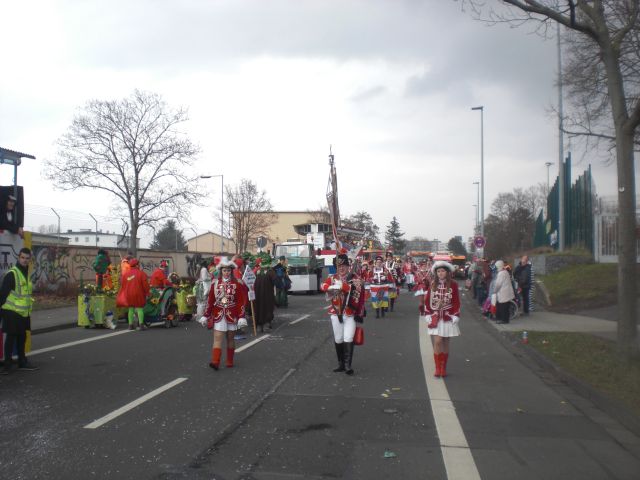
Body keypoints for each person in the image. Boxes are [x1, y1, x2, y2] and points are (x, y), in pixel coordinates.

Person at [320, 253, 365, 375]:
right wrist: (328, 287)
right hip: (336, 313)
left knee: (348, 338)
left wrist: (343, 285)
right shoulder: (333, 277)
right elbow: (323, 285)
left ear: (348, 266)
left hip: (350, 313)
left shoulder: (355, 278)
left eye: (343, 266)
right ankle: (340, 364)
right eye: (338, 266)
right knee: (338, 338)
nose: (341, 268)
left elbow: (356, 290)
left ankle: (347, 365)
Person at [200, 257, 248, 370]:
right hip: (219, 314)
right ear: (221, 271)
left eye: (228, 270)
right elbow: (210, 301)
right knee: (217, 338)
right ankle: (215, 362)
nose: (226, 272)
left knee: (230, 338)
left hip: (232, 314)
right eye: (224, 270)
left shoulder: (237, 283)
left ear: (231, 271)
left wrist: (241, 316)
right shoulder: (215, 283)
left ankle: (229, 360)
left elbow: (240, 301)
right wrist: (206, 315)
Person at [0, 248, 37, 374]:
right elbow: (3, 295)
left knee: (22, 337)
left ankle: (22, 362)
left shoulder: (25, 273)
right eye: (22, 257)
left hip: (23, 312)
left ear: (29, 259)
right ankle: (7, 365)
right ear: (18, 257)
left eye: (27, 258)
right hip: (11, 311)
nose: (25, 260)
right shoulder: (12, 274)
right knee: (11, 337)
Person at [422, 260, 460, 378]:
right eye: (438, 271)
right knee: (438, 341)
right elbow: (427, 300)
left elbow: (456, 301)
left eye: (443, 271)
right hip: (436, 317)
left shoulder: (453, 284)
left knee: (445, 342)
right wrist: (428, 314)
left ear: (447, 272)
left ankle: (443, 367)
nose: (440, 273)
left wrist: (455, 314)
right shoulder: (433, 284)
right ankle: (437, 367)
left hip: (448, 316)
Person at [116, 258, 150, 330]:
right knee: (139, 308)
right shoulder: (141, 273)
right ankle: (141, 325)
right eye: (138, 264)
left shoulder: (125, 274)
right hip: (139, 293)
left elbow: (123, 285)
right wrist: (148, 293)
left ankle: (130, 325)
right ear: (137, 265)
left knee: (130, 309)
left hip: (128, 294)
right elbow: (145, 285)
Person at [253, 259, 277, 332]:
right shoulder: (271, 272)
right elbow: (276, 282)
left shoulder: (257, 272)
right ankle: (266, 324)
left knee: (258, 308)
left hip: (257, 294)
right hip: (268, 295)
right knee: (267, 308)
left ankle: (259, 325)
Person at [493, 260, 515, 324]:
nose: (496, 268)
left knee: (503, 307)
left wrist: (494, 291)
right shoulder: (505, 272)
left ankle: (504, 320)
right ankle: (501, 319)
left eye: (496, 266)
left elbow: (498, 284)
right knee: (503, 307)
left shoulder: (501, 273)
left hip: (504, 293)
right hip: (506, 293)